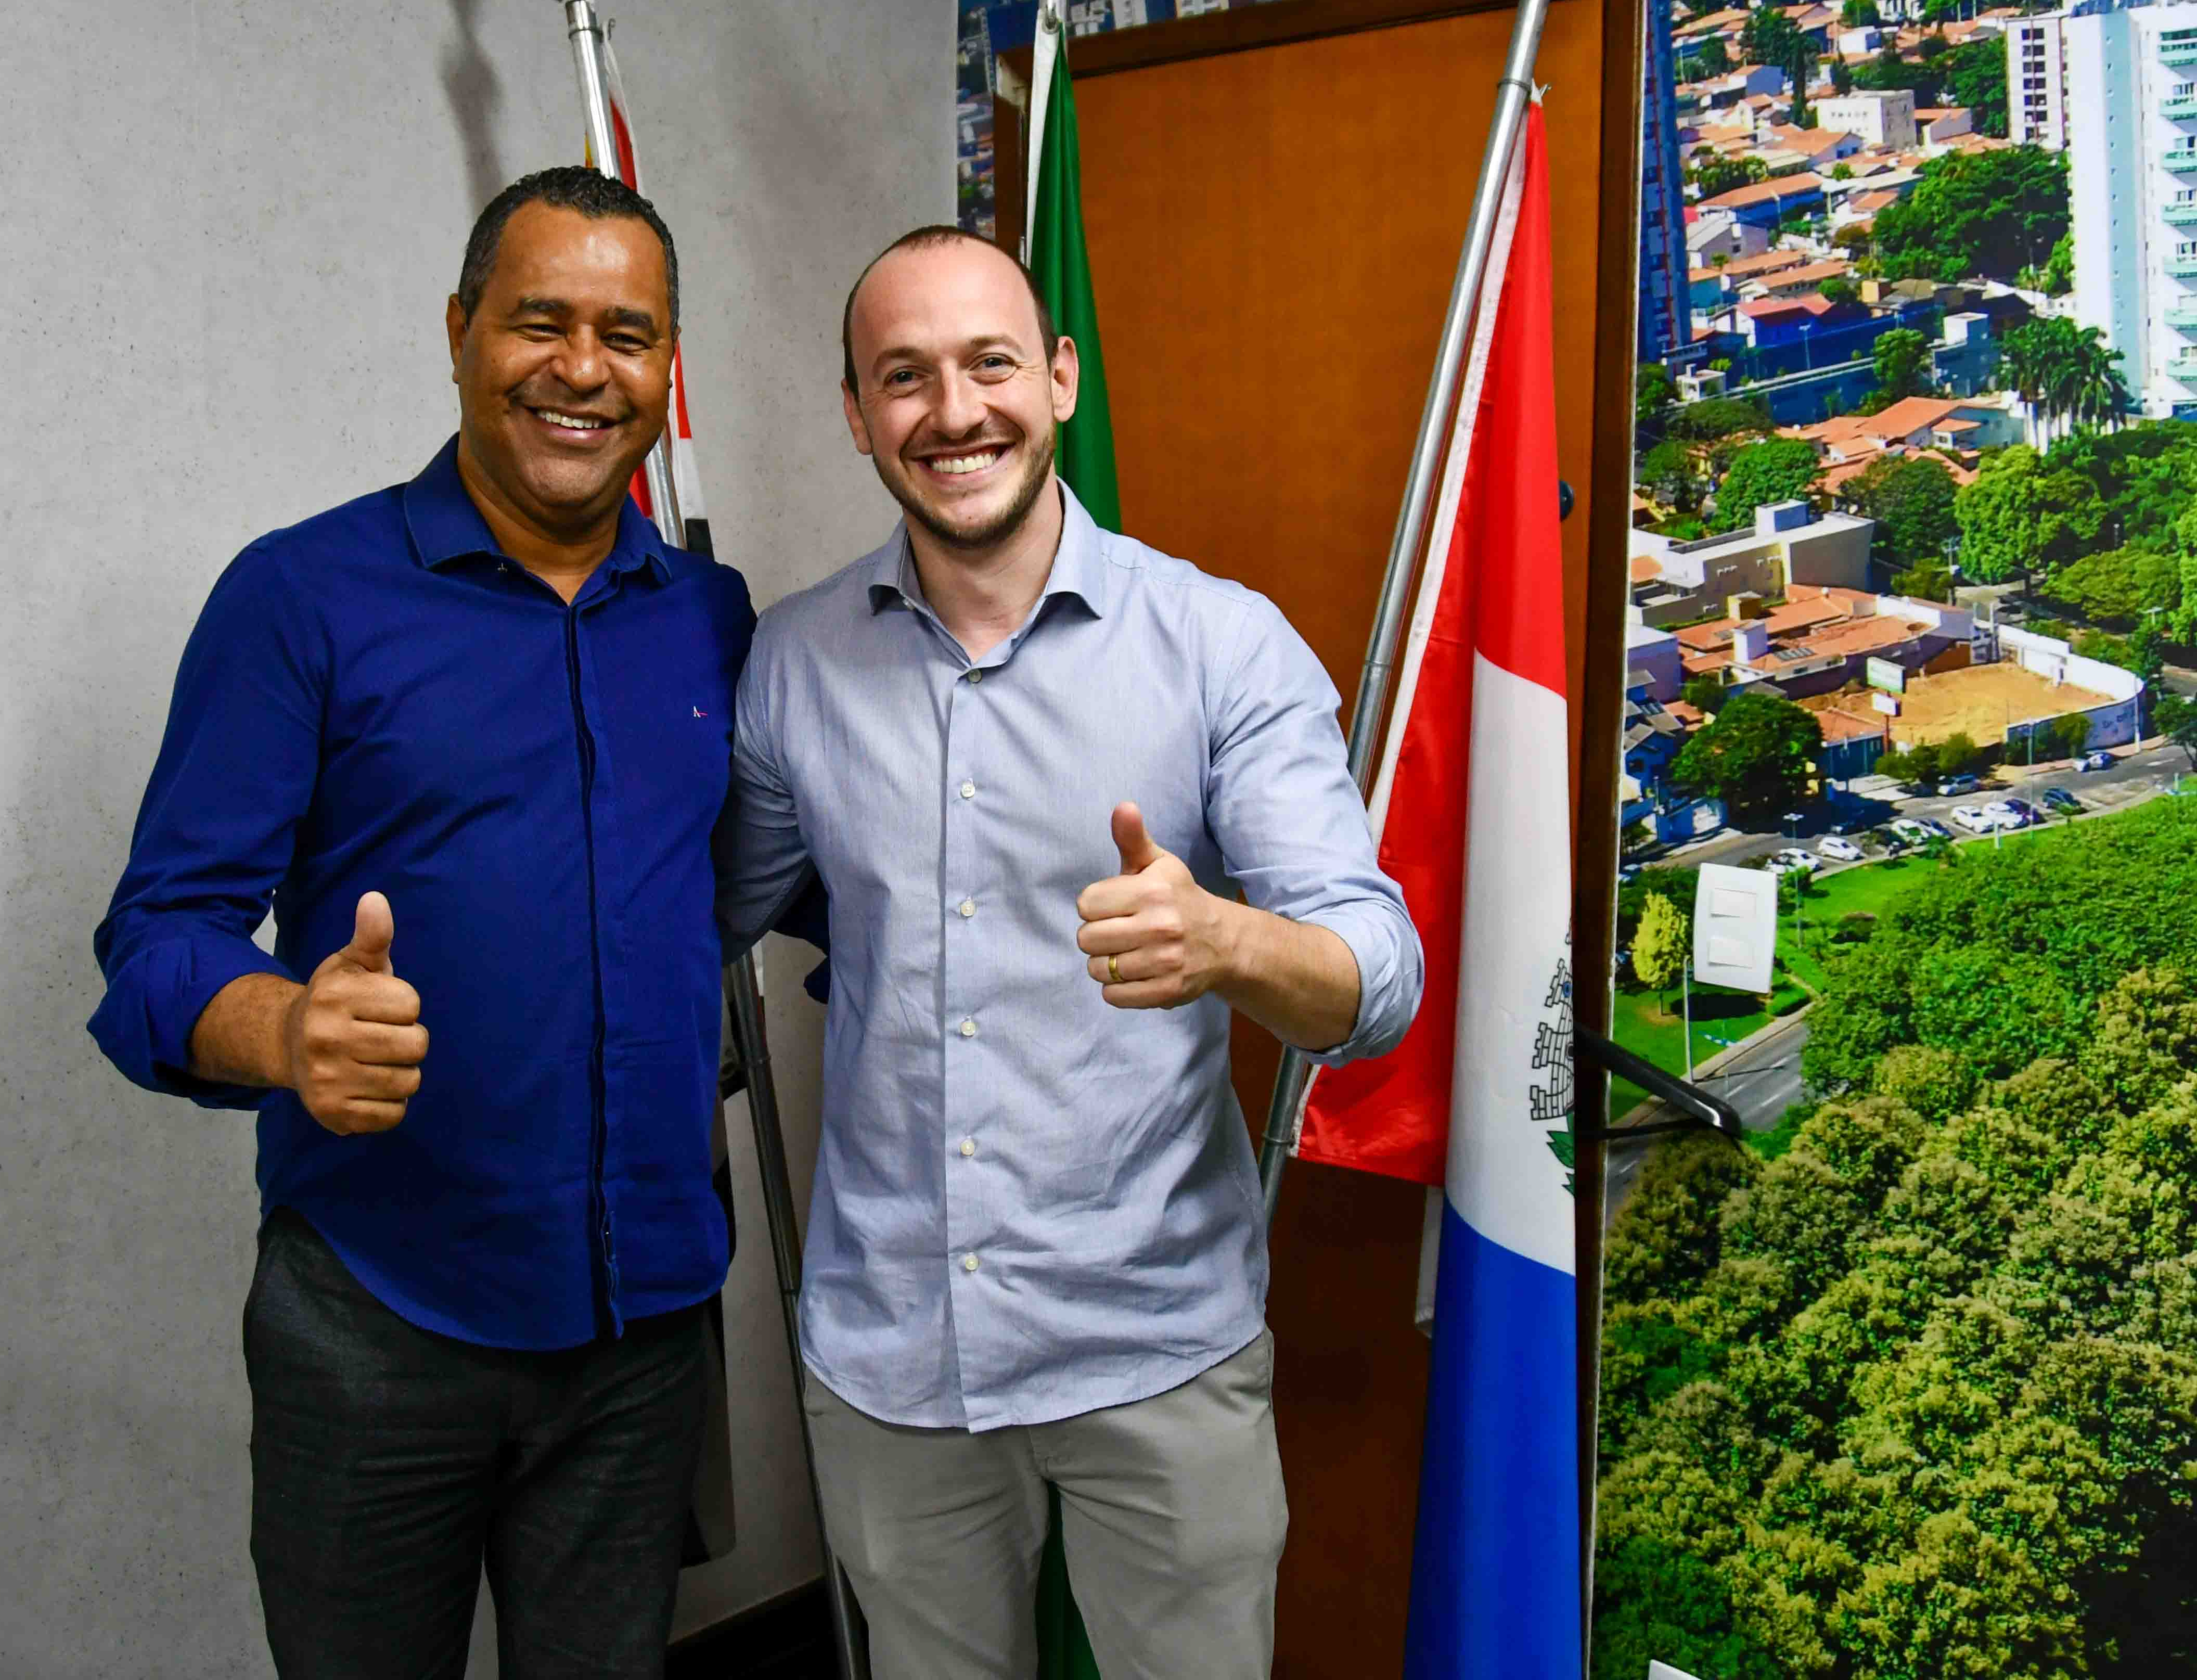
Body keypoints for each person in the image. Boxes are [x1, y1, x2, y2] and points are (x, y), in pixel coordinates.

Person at [717, 225, 1423, 1679]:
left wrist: (1224, 939)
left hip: (1153, 1348)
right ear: (857, 415)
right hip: (893, 1358)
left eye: (988, 363)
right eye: (902, 377)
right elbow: (715, 917)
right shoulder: (789, 666)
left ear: (1061, 378)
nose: (952, 410)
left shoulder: (1220, 645)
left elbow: (1378, 973)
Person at [88, 166, 750, 1679]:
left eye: (628, 334)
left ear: (665, 370)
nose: (583, 369)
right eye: (539, 322)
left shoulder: (709, 618)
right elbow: (160, 931)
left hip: (644, 1328)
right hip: (378, 1329)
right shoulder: (301, 597)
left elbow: (795, 869)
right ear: (459, 333)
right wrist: (285, 1027)